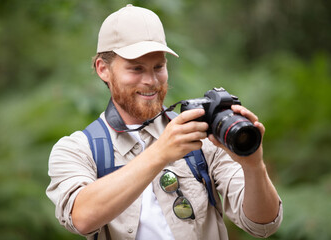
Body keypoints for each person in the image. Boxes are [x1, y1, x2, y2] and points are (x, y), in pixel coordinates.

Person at [46, 4, 283, 240]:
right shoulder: (77, 149)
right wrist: (161, 153)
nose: (150, 80)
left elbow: (262, 224)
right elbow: (81, 217)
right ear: (103, 69)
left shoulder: (201, 137)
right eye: (136, 69)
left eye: (158, 67)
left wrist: (254, 167)